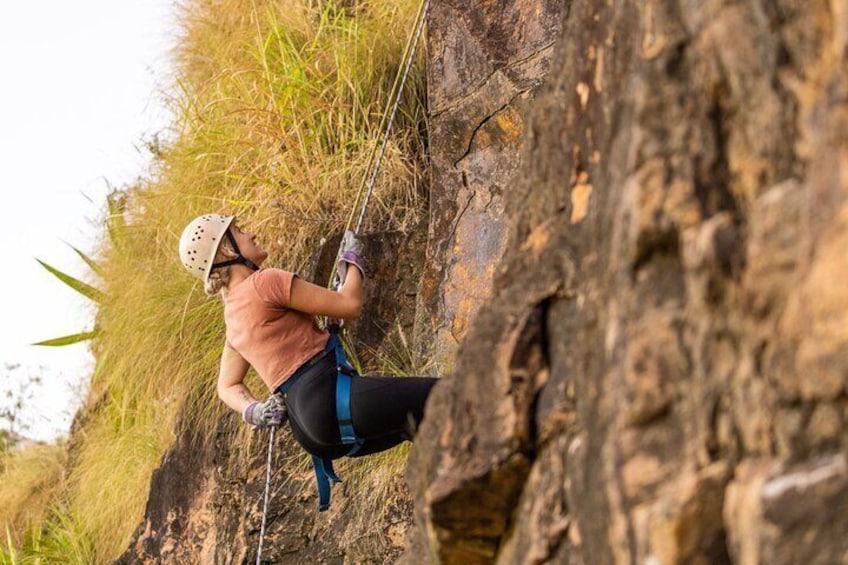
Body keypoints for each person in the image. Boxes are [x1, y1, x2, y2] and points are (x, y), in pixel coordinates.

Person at [178, 214, 436, 509]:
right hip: (329, 398)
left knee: (420, 425)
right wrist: (354, 262)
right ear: (226, 250)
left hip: (312, 432)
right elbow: (349, 304)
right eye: (239, 231)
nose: (251, 234)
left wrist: (256, 411)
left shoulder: (233, 319)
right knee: (442, 396)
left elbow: (227, 386)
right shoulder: (264, 282)